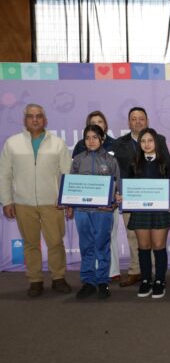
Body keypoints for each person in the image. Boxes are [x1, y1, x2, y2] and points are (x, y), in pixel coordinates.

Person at [0, 104, 72, 297]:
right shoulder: (12, 143)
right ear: (24, 120)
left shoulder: (57, 143)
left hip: (53, 203)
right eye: (31, 116)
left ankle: (58, 277)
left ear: (45, 120)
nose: (35, 119)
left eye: (39, 116)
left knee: (55, 242)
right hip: (23, 203)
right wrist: (7, 201)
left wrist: (67, 201)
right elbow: (4, 175)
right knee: (30, 243)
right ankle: (35, 280)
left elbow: (66, 174)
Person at [112, 106, 169, 287]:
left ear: (147, 121)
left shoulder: (160, 140)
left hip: (157, 202)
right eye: (134, 119)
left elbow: (167, 171)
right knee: (134, 238)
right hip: (132, 200)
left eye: (141, 118)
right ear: (129, 122)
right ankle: (137, 272)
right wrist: (120, 193)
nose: (138, 122)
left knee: (157, 242)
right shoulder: (119, 143)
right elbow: (118, 171)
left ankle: (156, 275)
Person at [67, 125, 120, 300]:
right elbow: (71, 185)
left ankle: (103, 281)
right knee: (86, 246)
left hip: (103, 212)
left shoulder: (111, 160)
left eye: (95, 137)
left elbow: (117, 186)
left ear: (102, 139)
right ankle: (88, 282)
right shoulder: (78, 159)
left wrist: (113, 203)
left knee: (102, 246)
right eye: (87, 137)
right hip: (82, 211)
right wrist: (69, 204)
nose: (91, 141)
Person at [124, 128, 170, 299]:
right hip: (141, 210)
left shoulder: (166, 163)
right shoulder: (134, 163)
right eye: (143, 141)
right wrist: (122, 196)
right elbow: (127, 186)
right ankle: (145, 279)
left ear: (156, 142)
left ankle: (160, 280)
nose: (146, 144)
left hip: (160, 211)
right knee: (143, 246)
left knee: (159, 246)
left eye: (150, 140)